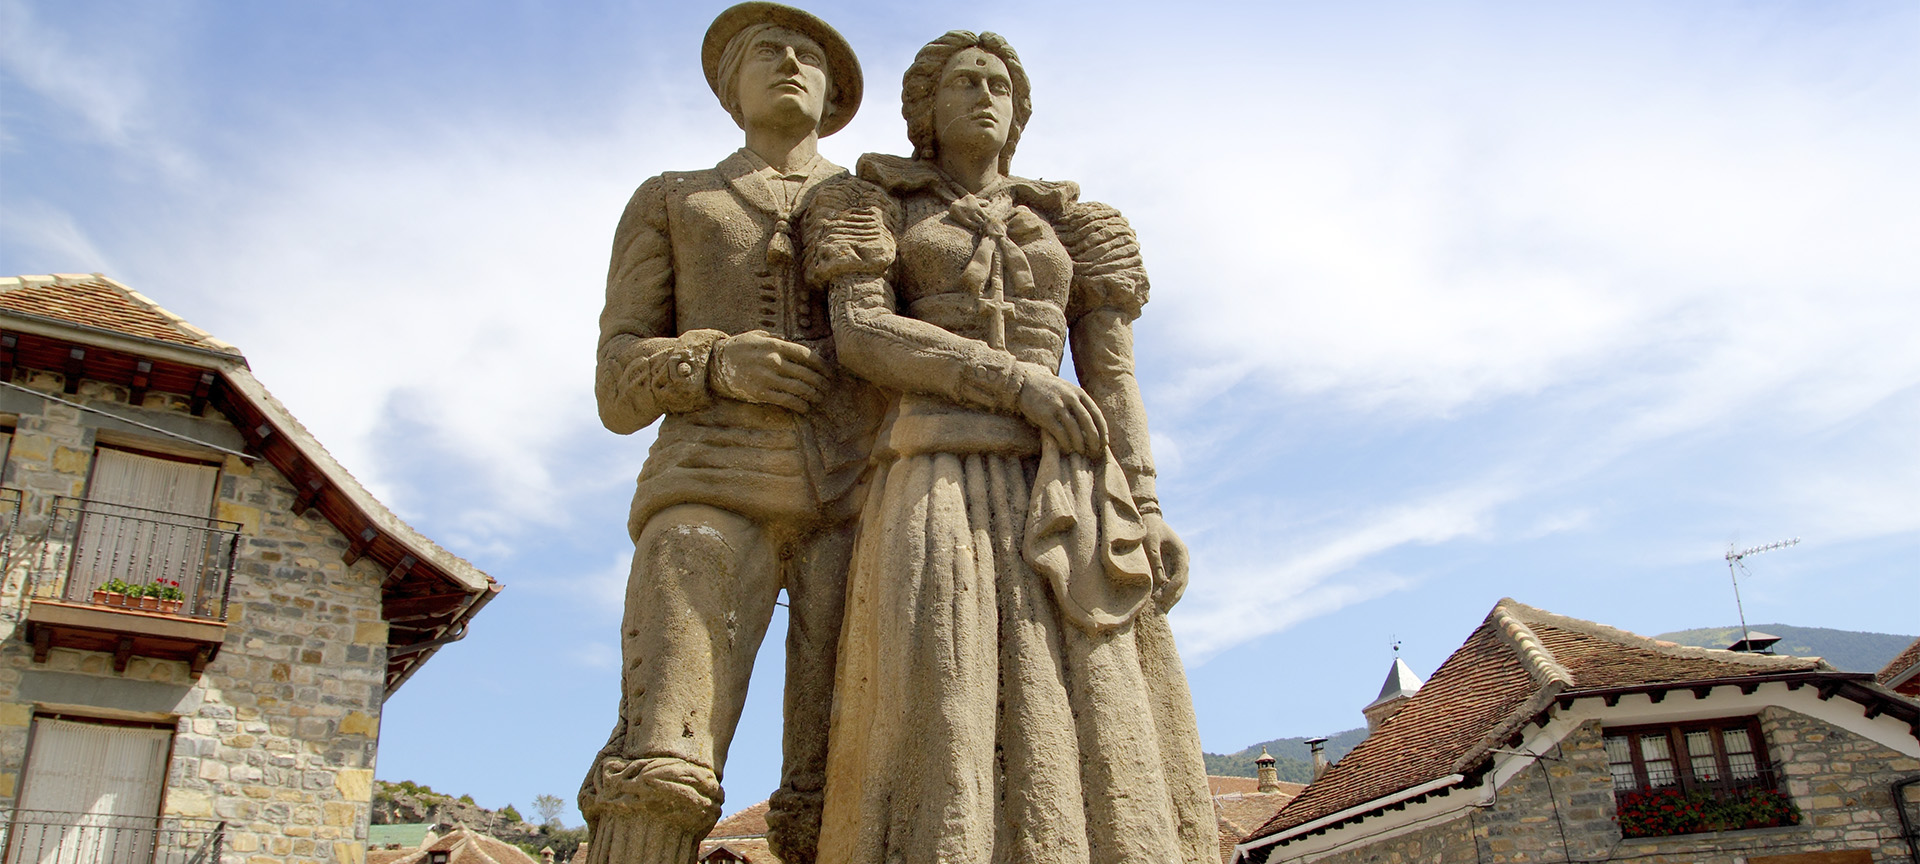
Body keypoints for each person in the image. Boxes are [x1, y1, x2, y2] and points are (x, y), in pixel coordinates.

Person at [801, 29, 1216, 864]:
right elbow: (864, 334)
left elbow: (1111, 372)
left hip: (1068, 476)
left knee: (1097, 680)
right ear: (925, 107)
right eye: (963, 82)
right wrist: (1013, 382)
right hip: (936, 464)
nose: (985, 95)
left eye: (999, 84)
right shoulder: (875, 202)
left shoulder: (1074, 222)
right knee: (943, 678)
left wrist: (1149, 502)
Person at [579, 5, 879, 863]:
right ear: (728, 87)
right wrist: (714, 363)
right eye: (766, 52)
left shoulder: (876, 203)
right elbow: (615, 383)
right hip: (707, 483)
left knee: (850, 771)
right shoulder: (675, 197)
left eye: (808, 56)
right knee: (664, 753)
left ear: (834, 96)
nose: (788, 61)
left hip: (854, 494)